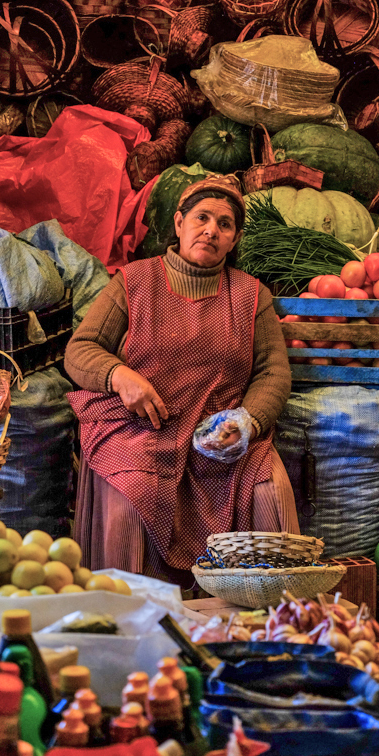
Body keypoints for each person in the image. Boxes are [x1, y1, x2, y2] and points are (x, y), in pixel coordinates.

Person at [65, 174, 299, 587]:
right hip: (140, 432)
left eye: (224, 225)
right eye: (202, 218)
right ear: (179, 223)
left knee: (269, 491)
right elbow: (81, 350)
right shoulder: (134, 282)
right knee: (132, 501)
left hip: (219, 440)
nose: (211, 230)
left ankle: (269, 621)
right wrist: (119, 375)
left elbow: (273, 372)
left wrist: (248, 421)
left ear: (234, 239)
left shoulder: (251, 295)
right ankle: (131, 622)